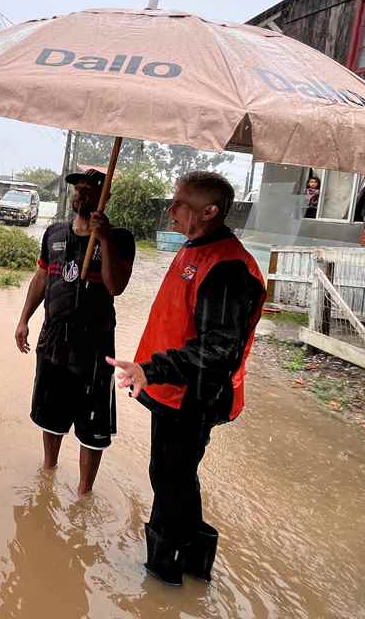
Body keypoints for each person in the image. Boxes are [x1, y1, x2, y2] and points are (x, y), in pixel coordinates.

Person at [107, 171, 265, 586]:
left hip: (195, 397)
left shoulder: (228, 268)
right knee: (174, 475)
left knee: (170, 477)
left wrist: (150, 369)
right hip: (174, 392)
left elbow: (218, 350)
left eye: (180, 204)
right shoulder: (197, 248)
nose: (170, 210)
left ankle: (163, 577)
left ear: (210, 212)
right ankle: (194, 567)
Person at [14, 168, 135, 495]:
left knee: (93, 426)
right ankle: (48, 471)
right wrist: (24, 319)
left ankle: (84, 492)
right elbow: (41, 279)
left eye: (89, 190)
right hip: (53, 340)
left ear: (104, 196)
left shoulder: (121, 238)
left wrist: (105, 238)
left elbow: (116, 286)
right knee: (49, 417)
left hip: (95, 348)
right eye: (77, 190)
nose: (80, 195)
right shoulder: (53, 233)